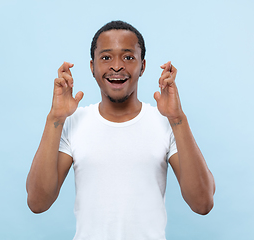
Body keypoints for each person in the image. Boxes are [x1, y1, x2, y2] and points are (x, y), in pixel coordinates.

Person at [26, 20, 215, 239]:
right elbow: (37, 202)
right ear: (92, 67)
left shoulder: (165, 122)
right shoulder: (73, 122)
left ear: (142, 66)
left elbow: (203, 203)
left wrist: (177, 118)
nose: (117, 66)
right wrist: (55, 118)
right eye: (106, 57)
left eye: (128, 57)